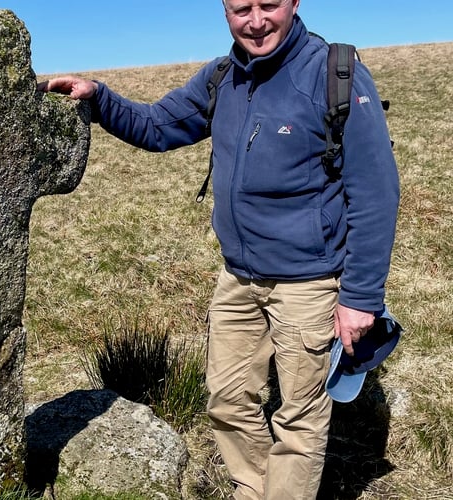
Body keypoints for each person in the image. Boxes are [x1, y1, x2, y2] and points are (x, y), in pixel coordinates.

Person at [38, 0, 399, 499]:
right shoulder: (222, 78)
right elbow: (159, 125)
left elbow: (377, 191)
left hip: (310, 283)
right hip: (238, 279)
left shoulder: (334, 74)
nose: (255, 21)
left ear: (294, 3)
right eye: (239, 9)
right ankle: (252, 490)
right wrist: (99, 98)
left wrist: (359, 297)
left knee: (299, 421)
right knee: (228, 402)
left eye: (268, 5)